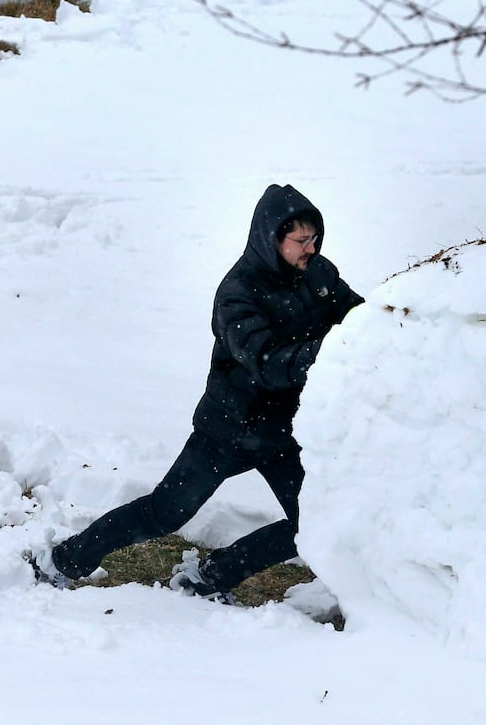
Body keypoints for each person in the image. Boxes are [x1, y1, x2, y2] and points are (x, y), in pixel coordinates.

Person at [31, 184, 364, 601]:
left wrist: (387, 323)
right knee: (163, 514)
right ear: (271, 237)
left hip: (283, 433)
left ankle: (213, 574)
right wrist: (332, 351)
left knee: (313, 522)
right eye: (300, 241)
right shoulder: (238, 293)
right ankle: (64, 560)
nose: (310, 248)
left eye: (315, 239)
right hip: (228, 431)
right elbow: (268, 363)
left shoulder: (318, 274)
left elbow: (357, 319)